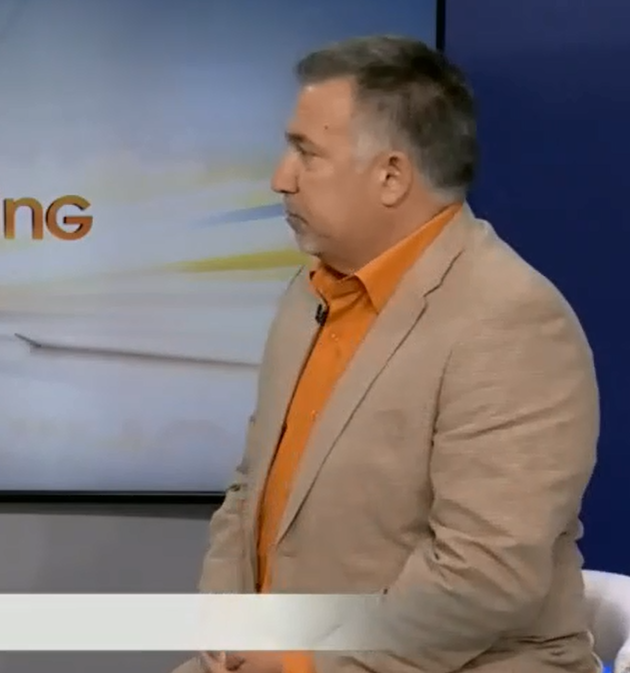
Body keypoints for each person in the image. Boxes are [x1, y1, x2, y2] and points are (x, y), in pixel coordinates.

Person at [182, 35, 600, 673]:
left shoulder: (510, 321)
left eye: (306, 153)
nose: (280, 178)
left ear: (391, 176)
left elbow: (483, 577)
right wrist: (228, 626)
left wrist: (300, 662)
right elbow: (250, 490)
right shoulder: (310, 293)